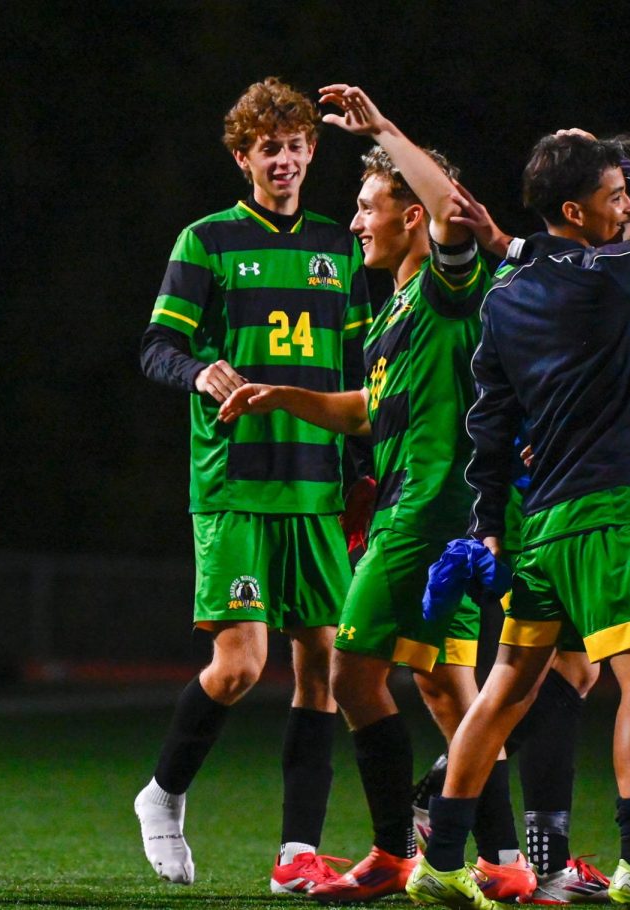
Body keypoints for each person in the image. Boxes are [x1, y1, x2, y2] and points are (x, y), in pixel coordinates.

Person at [219, 85, 530, 903]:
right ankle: (504, 859)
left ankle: (396, 851)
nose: (355, 221)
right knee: (443, 687)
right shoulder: (396, 305)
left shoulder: (444, 284)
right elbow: (368, 409)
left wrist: (388, 130)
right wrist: (281, 394)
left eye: (369, 205)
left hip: (424, 517)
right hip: (447, 518)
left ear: (411, 217)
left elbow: (453, 211)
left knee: (352, 677)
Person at [406, 131, 630, 910]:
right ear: (574, 209)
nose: (628, 208)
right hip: (607, 514)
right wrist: (629, 168)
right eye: (613, 197)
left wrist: (488, 524)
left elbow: (489, 427)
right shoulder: (609, 278)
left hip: (537, 526)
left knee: (505, 691)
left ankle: (438, 860)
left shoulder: (506, 296)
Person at [134, 76, 370, 892]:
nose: (286, 159)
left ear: (312, 151)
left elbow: (360, 372)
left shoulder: (342, 248)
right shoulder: (207, 240)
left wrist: (367, 478)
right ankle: (161, 797)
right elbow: (156, 350)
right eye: (269, 147)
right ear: (243, 157)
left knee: (325, 671)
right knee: (238, 665)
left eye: (298, 145)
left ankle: (295, 853)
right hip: (235, 483)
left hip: (318, 487)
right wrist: (199, 373)